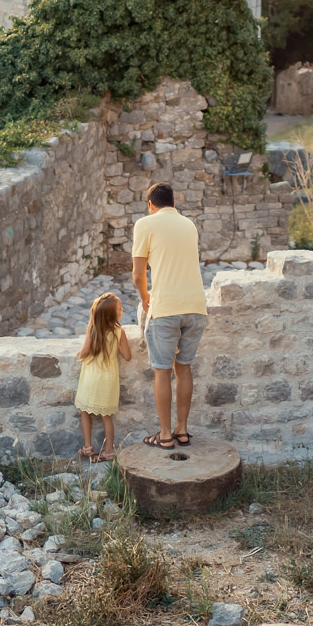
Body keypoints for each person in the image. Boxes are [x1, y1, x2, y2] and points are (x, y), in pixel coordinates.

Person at [132, 181, 205, 450]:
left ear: (150, 204)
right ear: (174, 203)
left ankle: (164, 434)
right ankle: (182, 431)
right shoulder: (189, 225)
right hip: (196, 308)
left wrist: (144, 298)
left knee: (162, 373)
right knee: (183, 368)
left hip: (166, 309)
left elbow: (138, 274)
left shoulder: (145, 224)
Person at [73, 291, 131, 461]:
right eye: (119, 309)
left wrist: (78, 355)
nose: (122, 311)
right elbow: (127, 356)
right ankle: (108, 451)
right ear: (112, 314)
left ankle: (88, 447)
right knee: (107, 417)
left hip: (91, 376)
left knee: (85, 412)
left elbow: (84, 352)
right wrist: (117, 345)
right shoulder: (119, 331)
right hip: (108, 379)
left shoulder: (93, 329)